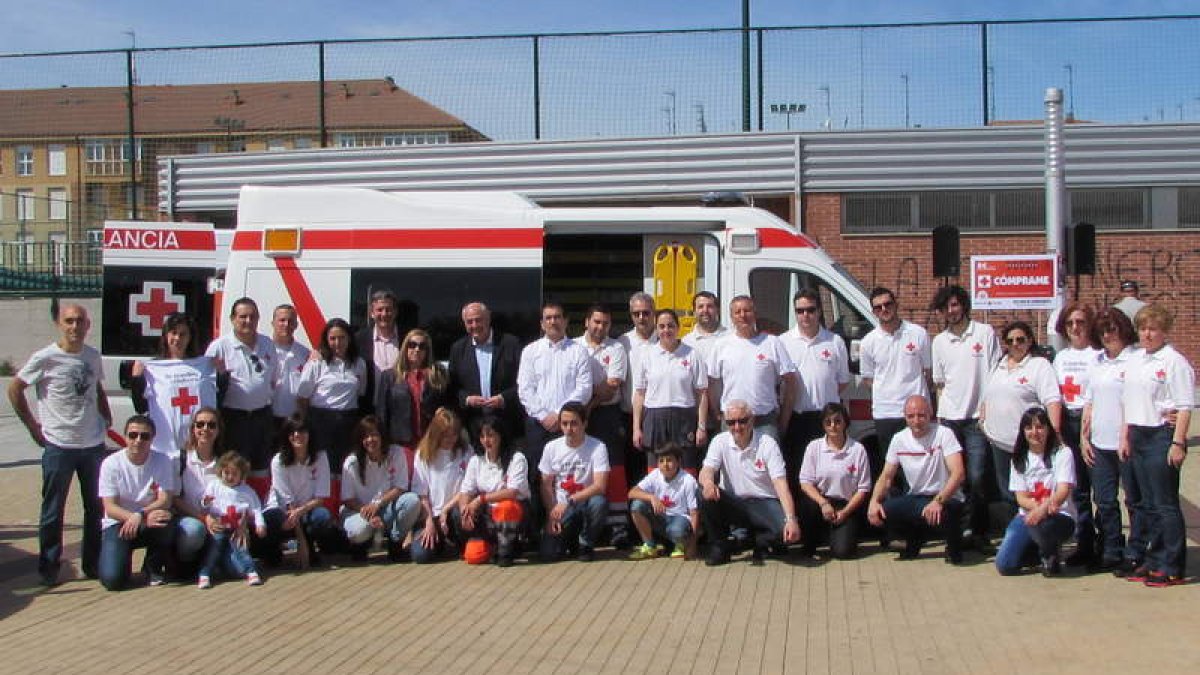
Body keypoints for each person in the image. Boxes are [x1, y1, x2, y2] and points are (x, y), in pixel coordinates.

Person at [8, 302, 112, 586]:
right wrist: (32, 426)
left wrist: (106, 415)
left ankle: (93, 564)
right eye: (69, 321)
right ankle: (49, 566)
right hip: (59, 444)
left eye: (80, 321)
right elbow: (15, 388)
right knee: (53, 509)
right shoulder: (45, 357)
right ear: (59, 324)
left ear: (88, 325)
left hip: (91, 445)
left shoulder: (92, 356)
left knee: (96, 507)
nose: (75, 327)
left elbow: (97, 387)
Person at [1121, 304, 1194, 587]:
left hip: (1161, 435)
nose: (1147, 334)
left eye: (1153, 329)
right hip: (1138, 434)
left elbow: (1185, 406)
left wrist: (1178, 442)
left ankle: (1171, 564)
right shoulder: (1136, 359)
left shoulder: (1174, 361)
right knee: (1147, 504)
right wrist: (1126, 437)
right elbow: (1128, 400)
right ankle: (1153, 558)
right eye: (1143, 328)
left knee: (1165, 504)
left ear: (1164, 331)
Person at [929, 284, 1000, 552]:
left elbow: (994, 374)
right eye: (946, 307)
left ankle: (979, 532)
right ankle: (956, 532)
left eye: (956, 305)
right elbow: (939, 384)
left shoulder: (984, 333)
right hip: (949, 419)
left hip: (976, 419)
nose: (951, 310)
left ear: (964, 306)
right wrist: (939, 418)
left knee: (978, 476)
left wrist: (987, 407)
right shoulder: (939, 342)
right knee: (953, 479)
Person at [699, 400, 801, 566]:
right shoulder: (720, 441)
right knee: (703, 493)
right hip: (735, 502)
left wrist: (791, 519)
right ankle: (720, 546)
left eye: (742, 421)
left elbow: (781, 485)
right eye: (731, 422)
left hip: (764, 502)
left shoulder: (768, 443)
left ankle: (748, 541)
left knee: (784, 534)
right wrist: (709, 483)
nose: (737, 427)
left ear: (752, 420)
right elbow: (706, 471)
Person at [517, 301, 592, 524]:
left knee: (571, 475)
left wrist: (561, 416)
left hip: (568, 425)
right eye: (548, 318)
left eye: (557, 317)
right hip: (538, 424)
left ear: (566, 321)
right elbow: (525, 388)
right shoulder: (531, 351)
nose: (553, 321)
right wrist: (543, 415)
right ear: (542, 323)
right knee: (539, 477)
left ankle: (571, 525)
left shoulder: (578, 351)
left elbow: (584, 388)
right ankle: (541, 527)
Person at [867, 395, 966, 563]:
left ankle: (954, 546)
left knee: (949, 518)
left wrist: (939, 501)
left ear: (930, 414)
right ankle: (915, 539)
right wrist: (873, 502)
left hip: (946, 498)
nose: (916, 421)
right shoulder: (899, 439)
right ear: (905, 417)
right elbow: (886, 476)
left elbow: (958, 473)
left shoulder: (944, 434)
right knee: (885, 511)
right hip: (917, 497)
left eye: (921, 415)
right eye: (911, 416)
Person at [980, 321, 1063, 516]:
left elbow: (1052, 401)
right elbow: (988, 396)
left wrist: (1056, 433)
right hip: (999, 444)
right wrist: (983, 420)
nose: (1015, 344)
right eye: (1010, 340)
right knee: (1008, 494)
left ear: (1030, 341)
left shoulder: (1039, 365)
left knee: (1030, 494)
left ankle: (1034, 539)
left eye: (1020, 339)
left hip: (1028, 445)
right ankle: (1015, 537)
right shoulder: (998, 366)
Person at [780, 288, 851, 506]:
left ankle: (826, 520)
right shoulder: (783, 342)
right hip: (797, 418)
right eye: (800, 311)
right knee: (798, 472)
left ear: (819, 311)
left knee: (826, 472)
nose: (805, 315)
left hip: (826, 420)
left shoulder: (835, 341)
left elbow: (843, 381)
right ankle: (802, 524)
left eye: (810, 310)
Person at [1079, 308, 1137, 572]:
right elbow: (1088, 402)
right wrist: (1083, 438)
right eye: (1102, 331)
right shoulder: (1097, 362)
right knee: (1104, 500)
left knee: (1135, 501)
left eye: (1112, 329)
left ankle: (1137, 550)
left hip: (1128, 442)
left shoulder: (1135, 360)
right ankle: (1112, 549)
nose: (1107, 335)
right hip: (1100, 441)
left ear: (1123, 330)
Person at [994, 408, 1078, 576]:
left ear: (1048, 429)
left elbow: (1063, 491)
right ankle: (1033, 550)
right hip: (1028, 515)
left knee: (1043, 525)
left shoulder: (1063, 453)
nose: (1035, 432)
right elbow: (1020, 497)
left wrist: (1044, 509)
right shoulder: (1018, 458)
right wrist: (1037, 508)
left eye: (1040, 427)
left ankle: (1050, 555)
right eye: (1029, 428)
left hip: (1058, 515)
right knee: (1005, 565)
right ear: (1023, 432)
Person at [205, 297, 276, 495]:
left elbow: (273, 378)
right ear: (232, 319)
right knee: (234, 470)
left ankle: (259, 514)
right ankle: (234, 516)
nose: (247, 321)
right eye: (242, 316)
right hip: (233, 419)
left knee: (261, 469)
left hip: (262, 417)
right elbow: (208, 387)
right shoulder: (219, 347)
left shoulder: (267, 344)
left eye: (252, 316)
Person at [97, 415, 177, 590]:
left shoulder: (162, 460)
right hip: (118, 523)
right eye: (133, 435)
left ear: (152, 439)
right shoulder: (111, 464)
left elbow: (165, 499)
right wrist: (132, 517)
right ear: (125, 437)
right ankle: (122, 559)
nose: (138, 440)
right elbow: (110, 507)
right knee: (112, 580)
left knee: (165, 517)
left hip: (147, 520)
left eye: (145, 436)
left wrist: (140, 515)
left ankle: (152, 566)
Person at [860, 287, 932, 479]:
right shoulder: (868, 342)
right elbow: (868, 379)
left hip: (915, 414)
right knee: (892, 469)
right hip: (886, 413)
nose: (884, 309)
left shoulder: (918, 334)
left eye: (888, 304)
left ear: (896, 304)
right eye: (878, 307)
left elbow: (928, 371)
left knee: (921, 465)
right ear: (873, 311)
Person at [575, 303, 631, 545]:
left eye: (605, 323)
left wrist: (587, 405)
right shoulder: (574, 346)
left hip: (607, 415)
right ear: (586, 321)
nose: (600, 327)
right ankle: (586, 524)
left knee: (615, 467)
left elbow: (611, 387)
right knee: (583, 467)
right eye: (596, 322)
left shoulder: (616, 347)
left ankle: (619, 527)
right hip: (578, 415)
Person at [707, 295, 798, 441]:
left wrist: (784, 419)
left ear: (755, 314)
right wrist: (717, 414)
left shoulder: (772, 343)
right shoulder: (721, 345)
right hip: (732, 421)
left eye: (747, 310)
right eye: (737, 312)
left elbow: (791, 381)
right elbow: (712, 383)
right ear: (731, 317)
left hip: (765, 420)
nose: (743, 315)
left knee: (769, 464)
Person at [130, 312, 217, 459]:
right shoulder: (153, 368)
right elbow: (140, 406)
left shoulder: (204, 366)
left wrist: (222, 374)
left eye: (183, 334)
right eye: (173, 333)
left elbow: (218, 399)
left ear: (190, 338)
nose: (177, 338)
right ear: (166, 336)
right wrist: (136, 379)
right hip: (166, 447)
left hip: (197, 447)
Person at [1052, 302, 1100, 565]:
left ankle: (1106, 543)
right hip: (1068, 424)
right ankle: (1085, 543)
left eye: (1080, 322)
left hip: (1092, 422)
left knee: (1101, 489)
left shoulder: (1098, 355)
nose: (1075, 328)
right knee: (1079, 489)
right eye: (1070, 323)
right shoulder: (1061, 358)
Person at [632, 309, 709, 470]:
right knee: (656, 472)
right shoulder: (647, 354)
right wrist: (636, 428)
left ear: (678, 327)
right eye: (661, 326)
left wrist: (701, 426)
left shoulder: (692, 354)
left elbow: (701, 393)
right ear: (656, 329)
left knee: (686, 471)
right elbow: (639, 394)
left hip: (684, 418)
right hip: (654, 418)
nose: (666, 330)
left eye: (670, 326)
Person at [258, 414, 337, 569]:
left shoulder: (321, 457)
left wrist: (302, 512)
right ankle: (274, 551)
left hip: (307, 509)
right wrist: (300, 543)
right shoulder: (278, 461)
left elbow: (321, 498)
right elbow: (288, 505)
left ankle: (312, 547)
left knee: (323, 517)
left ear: (309, 434)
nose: (297, 435)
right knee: (271, 519)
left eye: (302, 431)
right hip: (283, 511)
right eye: (292, 432)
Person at [340, 416, 421, 562]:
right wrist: (368, 512)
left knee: (412, 501)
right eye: (366, 436)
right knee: (358, 531)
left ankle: (395, 541)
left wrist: (377, 504)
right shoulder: (351, 462)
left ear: (382, 436)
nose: (370, 440)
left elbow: (400, 487)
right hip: (359, 511)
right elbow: (348, 499)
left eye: (374, 435)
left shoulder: (396, 453)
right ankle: (361, 545)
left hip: (385, 507)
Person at [297, 317, 368, 483]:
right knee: (323, 470)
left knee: (345, 469)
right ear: (326, 340)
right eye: (333, 338)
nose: (338, 343)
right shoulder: (317, 363)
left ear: (349, 338)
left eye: (342, 337)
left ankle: (343, 506)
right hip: (321, 422)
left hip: (348, 421)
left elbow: (360, 392)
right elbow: (302, 397)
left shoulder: (359, 364)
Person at [797, 403, 872, 560]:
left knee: (842, 553)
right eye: (828, 422)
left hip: (846, 505)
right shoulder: (814, 447)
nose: (833, 426)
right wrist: (823, 503)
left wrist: (845, 513)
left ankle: (838, 534)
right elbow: (805, 482)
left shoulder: (858, 449)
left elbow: (863, 489)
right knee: (806, 505)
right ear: (823, 424)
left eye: (838, 421)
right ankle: (810, 542)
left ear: (845, 422)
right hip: (820, 502)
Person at [538, 402, 610, 562]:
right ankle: (570, 542)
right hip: (561, 510)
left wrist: (571, 500)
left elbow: (600, 486)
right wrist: (552, 514)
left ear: (585, 424)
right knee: (548, 554)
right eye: (564, 424)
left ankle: (585, 544)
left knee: (599, 502)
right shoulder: (551, 448)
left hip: (585, 504)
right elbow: (545, 485)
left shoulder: (598, 447)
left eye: (574, 423)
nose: (569, 429)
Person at [457, 418, 531, 567]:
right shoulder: (475, 461)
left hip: (513, 512)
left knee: (506, 507)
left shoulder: (517, 459)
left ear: (501, 435)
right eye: (482, 436)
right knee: (473, 556)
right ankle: (493, 546)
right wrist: (465, 510)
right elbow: (465, 491)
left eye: (490, 435)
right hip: (487, 516)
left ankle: (508, 548)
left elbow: (512, 492)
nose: (486, 440)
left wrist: (480, 499)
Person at [448, 301, 522, 444]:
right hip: (474, 423)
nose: (474, 325)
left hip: (506, 420)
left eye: (478, 320)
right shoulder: (458, 349)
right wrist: (467, 399)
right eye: (470, 322)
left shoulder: (511, 344)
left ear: (488, 318)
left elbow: (524, 382)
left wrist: (504, 398)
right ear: (464, 324)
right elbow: (452, 386)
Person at [196, 451, 267, 588]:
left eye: (234, 474)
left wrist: (260, 525)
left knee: (242, 548)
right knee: (214, 548)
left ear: (242, 475)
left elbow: (257, 509)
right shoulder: (214, 486)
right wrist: (205, 501)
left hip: (237, 529)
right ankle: (204, 574)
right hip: (219, 527)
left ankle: (251, 572)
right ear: (220, 471)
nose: (229, 477)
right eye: (226, 473)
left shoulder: (247, 491)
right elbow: (204, 505)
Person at [411, 407, 470, 563]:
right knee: (420, 555)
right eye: (445, 436)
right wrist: (429, 521)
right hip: (431, 515)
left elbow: (467, 488)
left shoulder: (465, 452)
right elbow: (421, 493)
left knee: (461, 513)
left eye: (454, 435)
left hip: (453, 511)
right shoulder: (422, 455)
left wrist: (446, 509)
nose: (451, 439)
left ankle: (460, 544)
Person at [376, 328, 450, 448]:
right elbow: (382, 414)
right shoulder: (389, 376)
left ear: (427, 350)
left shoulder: (436, 375)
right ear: (405, 348)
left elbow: (446, 406)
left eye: (422, 346)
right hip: (400, 442)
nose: (417, 349)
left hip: (430, 441)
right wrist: (383, 443)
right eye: (412, 345)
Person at [171, 406, 223, 571]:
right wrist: (203, 519)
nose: (205, 429)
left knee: (235, 570)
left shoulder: (225, 461)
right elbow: (175, 499)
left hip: (218, 522)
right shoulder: (179, 459)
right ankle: (186, 565)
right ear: (193, 429)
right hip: (189, 519)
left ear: (218, 430)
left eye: (211, 425)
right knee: (194, 531)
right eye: (200, 425)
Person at [627, 443, 700, 560]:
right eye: (661, 461)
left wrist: (693, 545)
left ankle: (680, 545)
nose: (665, 465)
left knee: (676, 530)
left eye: (669, 460)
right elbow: (632, 493)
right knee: (637, 505)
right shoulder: (655, 475)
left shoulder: (688, 480)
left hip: (680, 520)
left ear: (678, 462)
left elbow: (694, 513)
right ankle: (650, 546)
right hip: (661, 520)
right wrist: (652, 497)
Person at [681, 291, 729, 437]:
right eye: (700, 306)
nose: (705, 310)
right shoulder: (686, 342)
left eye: (710, 306)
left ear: (717, 309)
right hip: (695, 416)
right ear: (694, 311)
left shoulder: (731, 338)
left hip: (725, 414)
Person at [356, 288, 403, 400]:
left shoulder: (407, 338)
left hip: (400, 409)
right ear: (371, 313)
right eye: (379, 310)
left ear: (395, 312)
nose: (384, 314)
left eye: (388, 309)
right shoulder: (358, 339)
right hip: (369, 407)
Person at [270, 304, 310, 426]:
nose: (286, 324)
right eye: (282, 320)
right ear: (273, 323)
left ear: (296, 325)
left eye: (290, 321)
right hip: (268, 418)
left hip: (294, 420)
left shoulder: (305, 354)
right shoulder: (264, 350)